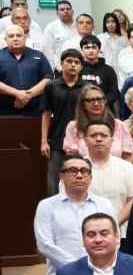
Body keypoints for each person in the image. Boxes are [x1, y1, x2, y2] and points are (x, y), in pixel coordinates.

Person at [66, 120, 133, 232]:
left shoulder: (127, 168)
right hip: (82, 233)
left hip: (121, 233)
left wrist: (113, 223)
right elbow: (67, 200)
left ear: (111, 141)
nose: (99, 139)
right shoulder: (73, 169)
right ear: (85, 141)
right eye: (93, 135)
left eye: (103, 135)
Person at [40, 50, 88, 186]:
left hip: (82, 142)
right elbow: (46, 114)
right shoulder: (51, 86)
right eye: (69, 61)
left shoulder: (88, 88)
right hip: (57, 141)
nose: (73, 65)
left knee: (82, 182)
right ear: (61, 63)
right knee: (53, 184)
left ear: (81, 67)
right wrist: (44, 141)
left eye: (77, 62)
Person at [1, 24, 53, 120]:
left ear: (25, 38)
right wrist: (16, 93)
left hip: (36, 110)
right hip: (5, 110)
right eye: (11, 36)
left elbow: (48, 78)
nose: (15, 39)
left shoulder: (38, 55)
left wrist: (26, 96)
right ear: (5, 39)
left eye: (19, 35)